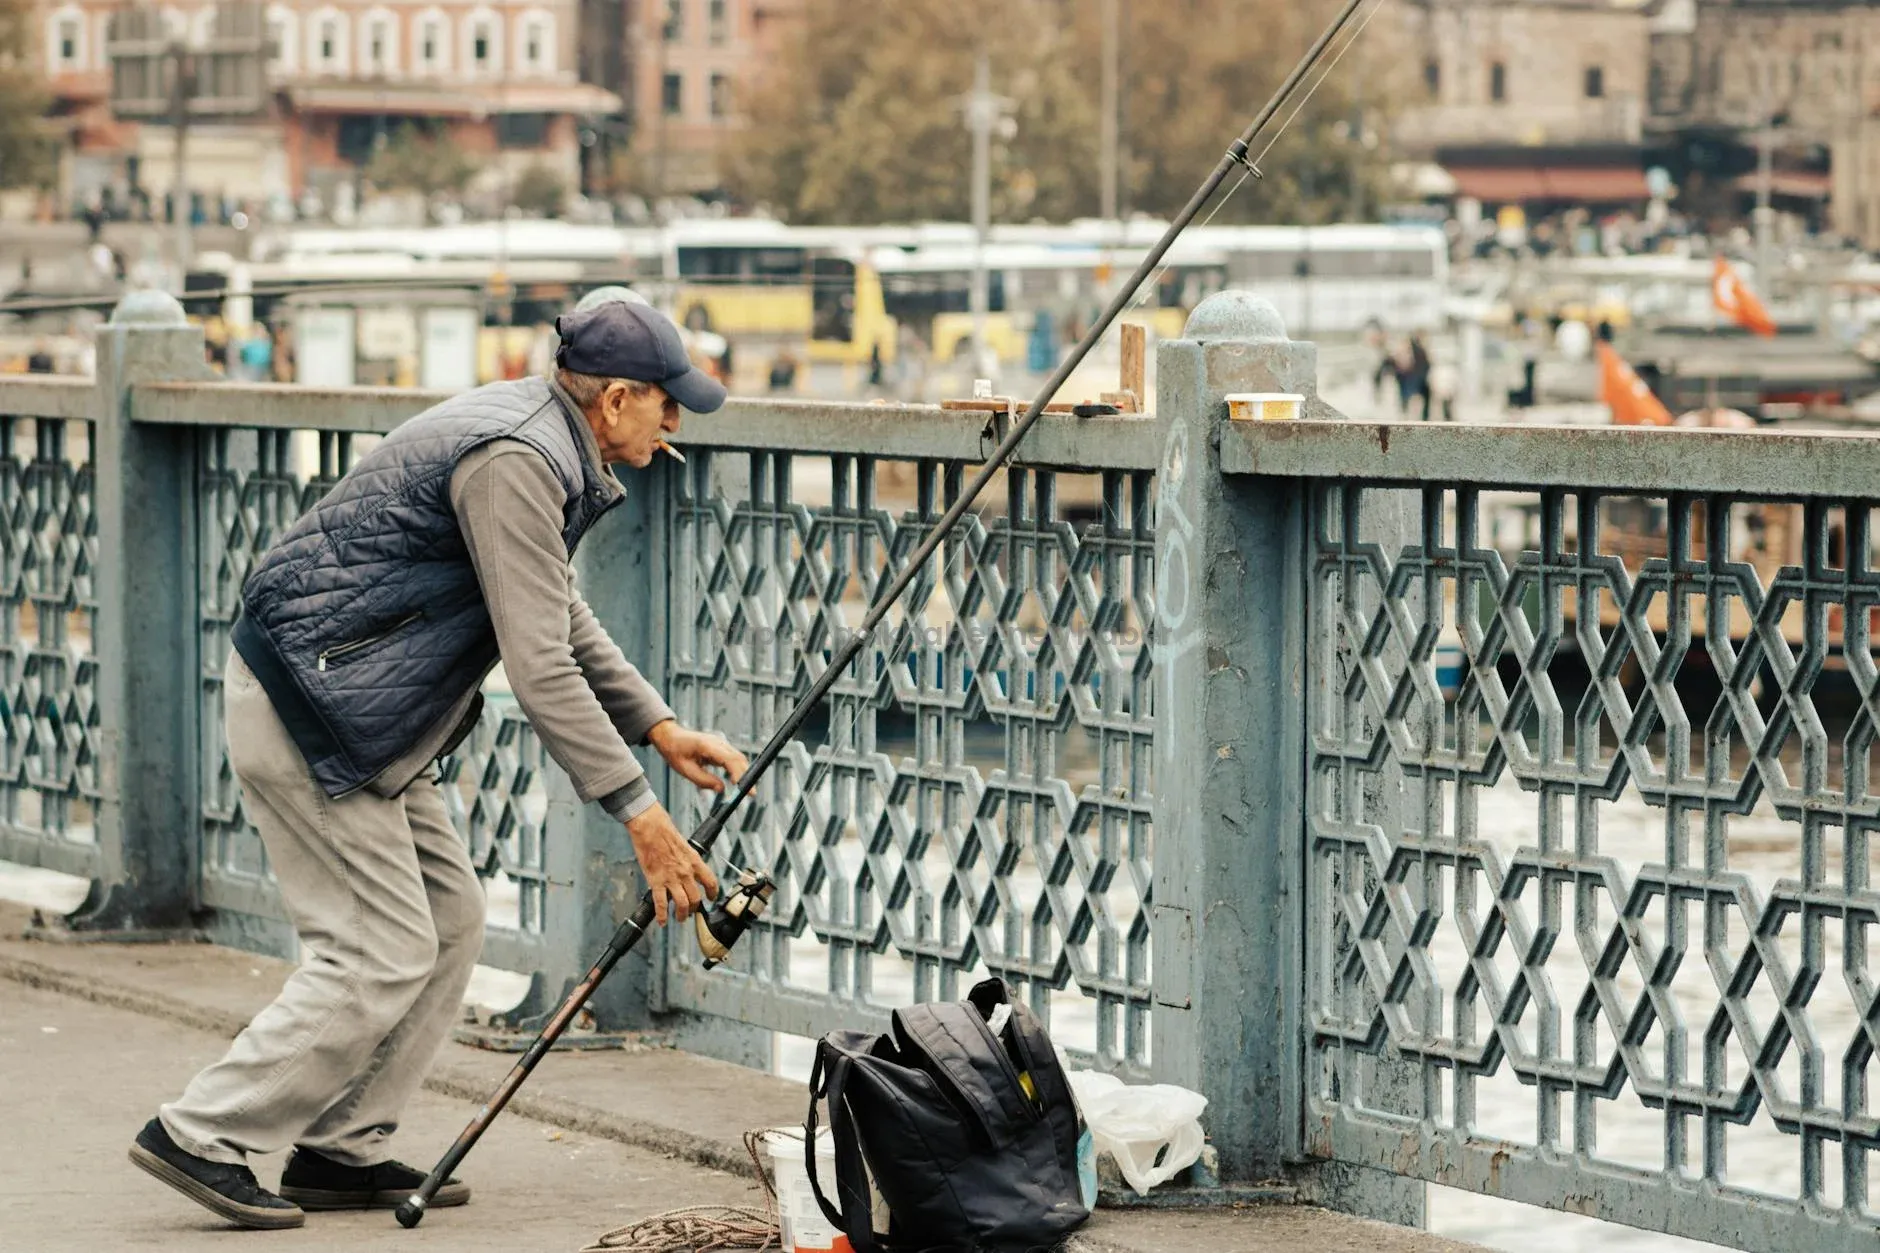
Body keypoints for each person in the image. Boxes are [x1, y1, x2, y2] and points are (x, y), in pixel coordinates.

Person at [129, 300, 749, 1230]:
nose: (675, 424)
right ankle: (202, 1130)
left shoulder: (541, 441)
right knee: (378, 947)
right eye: (668, 404)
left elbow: (559, 616)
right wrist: (640, 813)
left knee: (451, 916)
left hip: (362, 709)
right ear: (615, 398)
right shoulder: (517, 460)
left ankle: (343, 1147)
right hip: (317, 708)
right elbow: (537, 664)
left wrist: (657, 727)